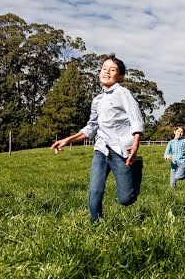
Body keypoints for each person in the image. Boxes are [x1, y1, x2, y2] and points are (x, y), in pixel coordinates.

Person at [51, 54, 144, 222]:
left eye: (112, 69)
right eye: (104, 68)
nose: (107, 71)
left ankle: (136, 168)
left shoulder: (123, 93)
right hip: (101, 149)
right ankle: (97, 226)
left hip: (120, 150)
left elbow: (136, 118)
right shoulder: (97, 100)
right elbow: (91, 128)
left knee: (126, 199)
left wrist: (136, 143)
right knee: (95, 191)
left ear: (120, 76)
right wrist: (67, 140)